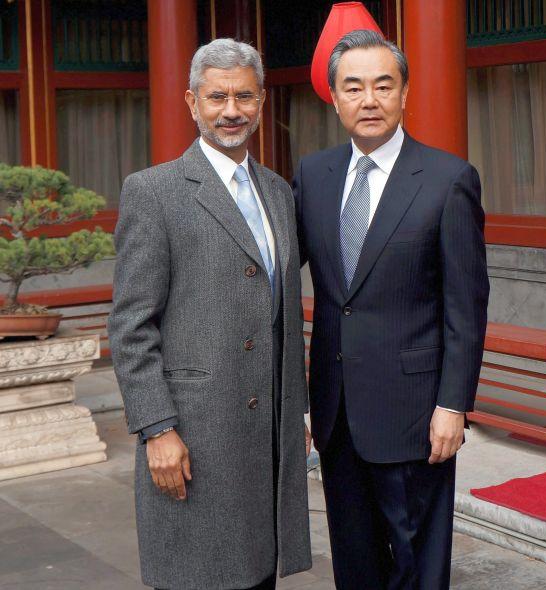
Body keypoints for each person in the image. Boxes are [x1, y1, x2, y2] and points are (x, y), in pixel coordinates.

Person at [108, 38, 311, 590]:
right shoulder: (154, 191)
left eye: (244, 96)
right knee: (197, 575)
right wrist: (157, 428)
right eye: (217, 96)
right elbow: (131, 326)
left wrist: (298, 410)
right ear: (191, 102)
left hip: (266, 432)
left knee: (257, 574)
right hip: (195, 430)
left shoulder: (277, 192)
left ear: (261, 102)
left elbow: (282, 313)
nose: (231, 111)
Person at [293, 30, 489, 589]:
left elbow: (466, 307)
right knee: (354, 560)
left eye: (384, 85)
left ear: (405, 94)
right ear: (334, 97)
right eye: (353, 87)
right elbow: (279, 271)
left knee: (416, 563)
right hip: (335, 410)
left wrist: (454, 404)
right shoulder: (314, 175)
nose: (369, 100)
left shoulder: (449, 180)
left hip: (415, 411)